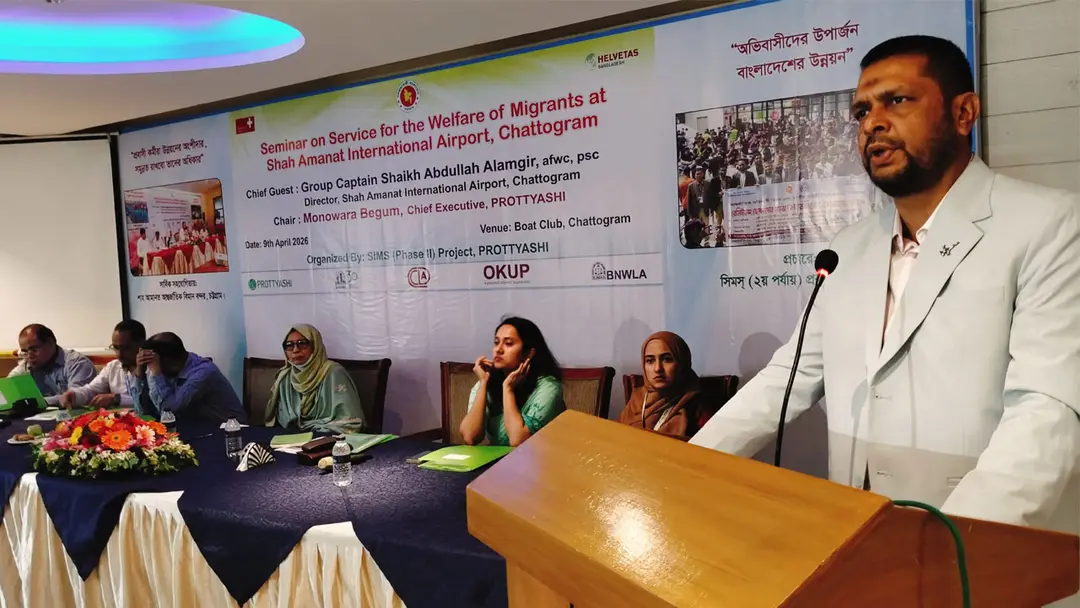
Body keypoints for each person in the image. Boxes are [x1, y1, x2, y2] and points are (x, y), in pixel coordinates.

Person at [690, 34, 1080, 533]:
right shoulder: (848, 247)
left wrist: (955, 546)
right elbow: (787, 378)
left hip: (977, 549)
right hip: (857, 535)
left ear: (964, 113)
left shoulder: (1048, 224)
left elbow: (1047, 409)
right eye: (861, 111)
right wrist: (680, 467)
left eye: (897, 100)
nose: (872, 122)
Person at [460, 317, 564, 447]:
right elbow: (470, 437)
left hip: (543, 458)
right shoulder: (487, 381)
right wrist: (483, 383)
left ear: (529, 353)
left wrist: (508, 389)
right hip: (498, 458)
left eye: (508, 343)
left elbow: (518, 441)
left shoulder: (548, 387)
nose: (498, 350)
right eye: (496, 342)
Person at [264, 324, 366, 432]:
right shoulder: (285, 377)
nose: (295, 350)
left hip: (327, 435)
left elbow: (350, 421)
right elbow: (280, 420)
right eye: (289, 345)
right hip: (291, 436)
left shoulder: (334, 372)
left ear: (315, 346)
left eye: (302, 343)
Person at [130, 332, 246, 423]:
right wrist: (140, 375)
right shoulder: (164, 369)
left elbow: (168, 413)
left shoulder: (203, 373)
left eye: (151, 365)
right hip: (197, 432)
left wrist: (156, 374)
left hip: (231, 433)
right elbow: (143, 414)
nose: (151, 369)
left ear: (168, 360)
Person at [619, 332, 709, 441]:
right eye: (650, 361)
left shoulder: (696, 405)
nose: (658, 368)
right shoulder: (636, 401)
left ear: (682, 363)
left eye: (667, 359)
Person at [58, 319, 146, 409]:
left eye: (126, 348)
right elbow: (91, 390)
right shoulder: (113, 367)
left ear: (142, 344)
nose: (119, 354)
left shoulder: (152, 367)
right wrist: (74, 395)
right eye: (115, 347)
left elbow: (149, 401)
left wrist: (117, 399)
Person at [8, 324, 94, 398]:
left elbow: (74, 398)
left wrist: (36, 403)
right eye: (25, 352)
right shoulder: (26, 367)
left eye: (34, 350)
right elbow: (7, 390)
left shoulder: (77, 363)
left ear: (50, 343)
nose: (29, 356)